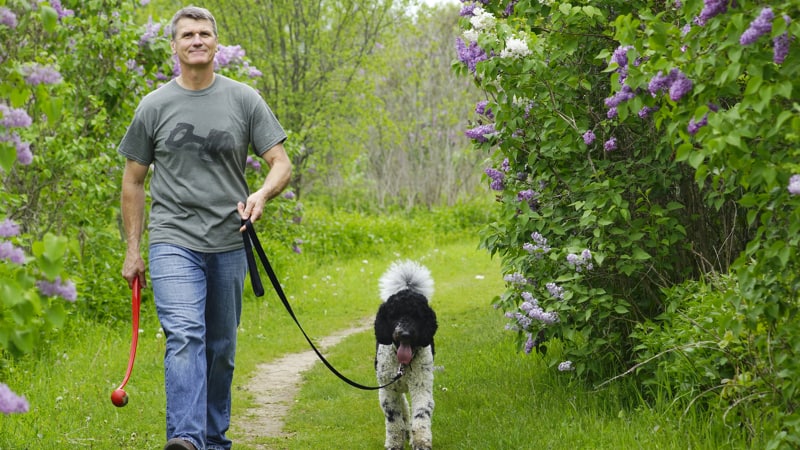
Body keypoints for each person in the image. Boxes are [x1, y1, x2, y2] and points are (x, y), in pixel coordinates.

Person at [118, 6, 291, 450]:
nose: (196, 40)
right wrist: (133, 250)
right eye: (187, 35)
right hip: (173, 240)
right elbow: (134, 180)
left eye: (204, 33)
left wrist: (262, 195)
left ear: (216, 44)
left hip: (229, 241)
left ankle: (214, 440)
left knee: (219, 350)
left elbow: (280, 163)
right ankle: (186, 439)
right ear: (174, 46)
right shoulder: (153, 106)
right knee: (185, 335)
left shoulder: (244, 99)